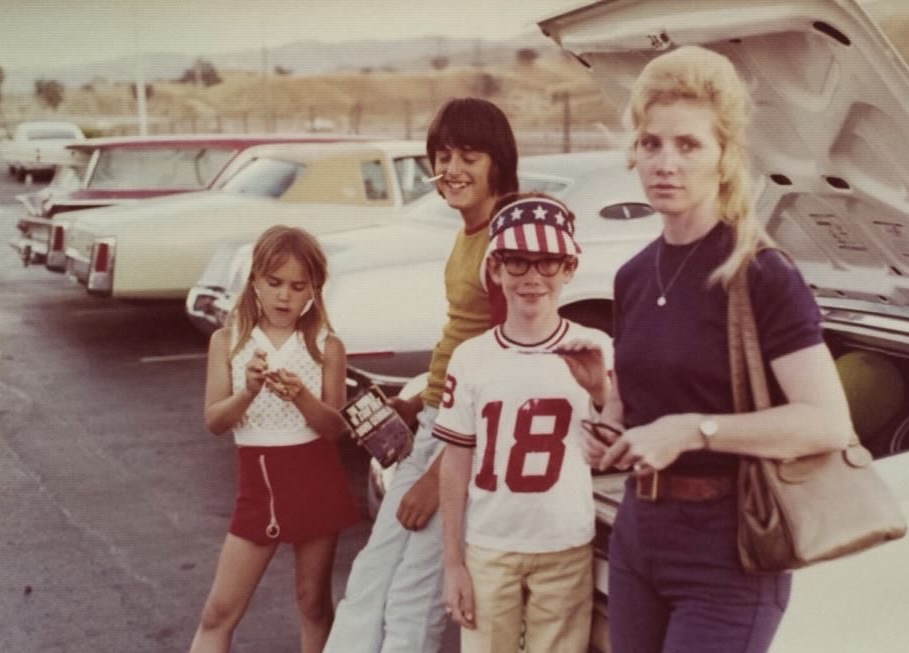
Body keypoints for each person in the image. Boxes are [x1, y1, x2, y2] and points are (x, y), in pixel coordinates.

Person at [582, 45, 854, 653]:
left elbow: (827, 423)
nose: (665, 163)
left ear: (725, 157)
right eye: (651, 144)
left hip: (730, 551)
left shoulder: (760, 275)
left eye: (689, 145)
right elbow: (633, 409)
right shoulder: (631, 275)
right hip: (639, 535)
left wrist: (693, 431)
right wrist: (606, 423)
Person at [324, 97, 519, 653]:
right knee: (370, 576)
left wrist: (441, 477)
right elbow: (460, 338)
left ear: (497, 162)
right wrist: (410, 402)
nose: (451, 169)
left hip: (464, 441)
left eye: (469, 156)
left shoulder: (504, 242)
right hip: (433, 422)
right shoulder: (467, 233)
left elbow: (509, 371)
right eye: (442, 156)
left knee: (413, 597)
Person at [435, 192, 613, 653]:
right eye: (517, 262)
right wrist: (452, 562)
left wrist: (601, 394)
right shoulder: (471, 357)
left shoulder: (595, 346)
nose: (532, 278)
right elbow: (455, 463)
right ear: (494, 268)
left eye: (547, 262)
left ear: (569, 268)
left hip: (565, 544)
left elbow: (615, 444)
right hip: (490, 544)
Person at [189, 225, 358, 653]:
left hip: (315, 482)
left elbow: (335, 428)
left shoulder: (327, 345)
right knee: (218, 612)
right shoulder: (227, 341)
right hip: (258, 486)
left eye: (298, 286)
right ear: (255, 282)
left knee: (314, 604)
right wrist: (247, 391)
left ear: (313, 290)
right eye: (274, 283)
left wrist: (301, 395)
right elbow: (214, 421)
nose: (285, 296)